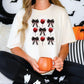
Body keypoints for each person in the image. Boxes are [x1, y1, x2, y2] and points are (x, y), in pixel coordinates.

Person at [0, 0, 76, 84]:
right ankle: (40, 81)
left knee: (80, 71)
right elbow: (14, 47)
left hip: (54, 69)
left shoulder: (61, 12)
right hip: (29, 67)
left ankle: (35, 80)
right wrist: (30, 60)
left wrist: (60, 59)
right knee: (1, 57)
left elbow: (65, 45)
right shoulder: (22, 13)